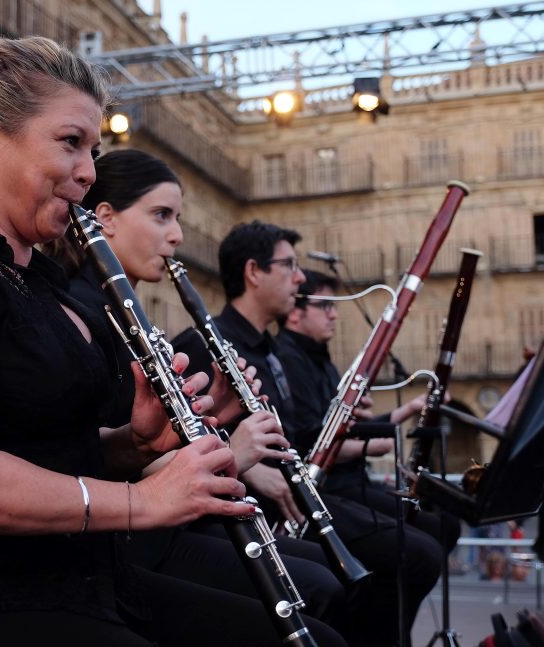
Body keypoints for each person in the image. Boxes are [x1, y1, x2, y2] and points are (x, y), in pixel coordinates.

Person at [0, 37, 341, 646]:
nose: (88, 171)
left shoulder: (38, 282)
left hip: (76, 576)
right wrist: (144, 501)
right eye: (70, 142)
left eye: (93, 149)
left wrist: (133, 443)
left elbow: (46, 446)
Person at [45, 148, 350, 641]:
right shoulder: (83, 311)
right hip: (129, 543)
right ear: (105, 220)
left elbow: (139, 445)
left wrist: (222, 411)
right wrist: (234, 452)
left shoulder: (117, 312)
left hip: (153, 530)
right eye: (161, 215)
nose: (178, 236)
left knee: (321, 586)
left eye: (178, 218)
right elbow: (91, 459)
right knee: (318, 594)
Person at [171, 220, 441, 646]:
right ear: (254, 272)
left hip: (296, 498)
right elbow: (183, 436)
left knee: (418, 547)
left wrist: (382, 425)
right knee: (406, 559)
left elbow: (300, 437)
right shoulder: (202, 343)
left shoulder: (275, 350)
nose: (300, 278)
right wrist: (243, 463)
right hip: (254, 508)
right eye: (289, 266)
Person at [276, 269, 461, 553]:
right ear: (294, 314)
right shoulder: (289, 358)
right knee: (426, 544)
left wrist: (409, 409)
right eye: (325, 305)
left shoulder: (320, 359)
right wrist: (368, 447)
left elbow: (342, 429)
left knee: (444, 524)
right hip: (331, 487)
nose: (334, 315)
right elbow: (312, 443)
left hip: (351, 481)